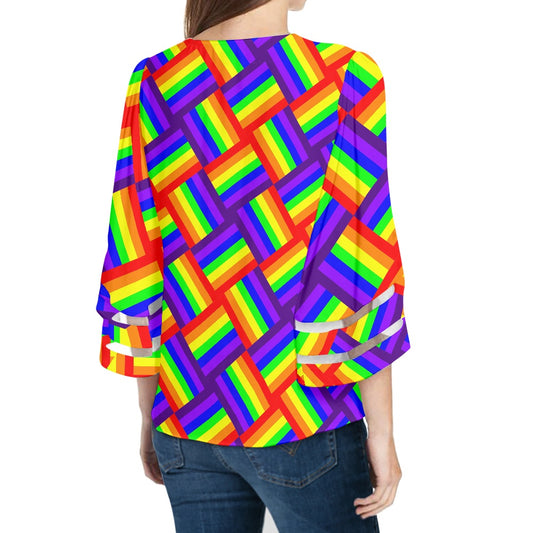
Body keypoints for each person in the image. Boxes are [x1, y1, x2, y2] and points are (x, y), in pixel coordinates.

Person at [96, 0, 412, 531]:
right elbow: (359, 262)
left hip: (187, 412)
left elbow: (135, 254)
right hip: (302, 413)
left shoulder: (153, 79)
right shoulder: (346, 76)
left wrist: (149, 413)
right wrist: (381, 433)